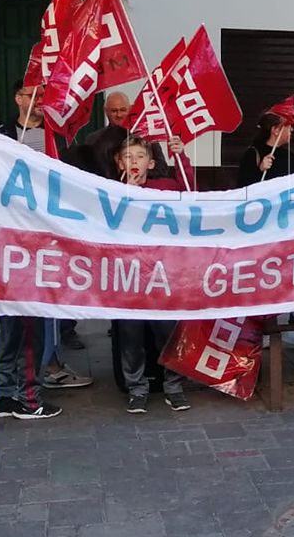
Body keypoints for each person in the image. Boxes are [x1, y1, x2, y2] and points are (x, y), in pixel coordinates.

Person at [116, 135, 191, 414]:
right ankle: (136, 388)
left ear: (151, 162)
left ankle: (174, 386)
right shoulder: (110, 190)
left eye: (139, 156)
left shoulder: (165, 187)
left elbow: (188, 191)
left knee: (168, 332)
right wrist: (126, 193)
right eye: (128, 156)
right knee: (131, 336)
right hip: (128, 276)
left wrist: (181, 157)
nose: (134, 162)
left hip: (162, 273)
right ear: (119, 162)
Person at [236, 113, 294, 351]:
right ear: (276, 129)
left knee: (293, 270)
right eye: (289, 128)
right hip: (262, 229)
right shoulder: (253, 153)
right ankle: (263, 326)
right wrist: (259, 170)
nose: (291, 133)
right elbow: (242, 190)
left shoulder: (290, 156)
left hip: (287, 225)